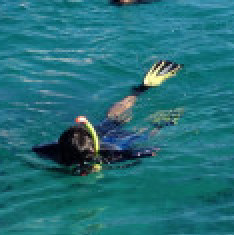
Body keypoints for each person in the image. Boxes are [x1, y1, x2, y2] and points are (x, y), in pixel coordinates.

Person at [33, 60, 182, 174]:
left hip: (117, 140)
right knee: (112, 119)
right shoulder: (50, 150)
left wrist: (150, 151)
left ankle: (157, 116)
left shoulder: (111, 153)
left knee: (142, 134)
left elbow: (143, 152)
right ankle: (139, 91)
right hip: (95, 134)